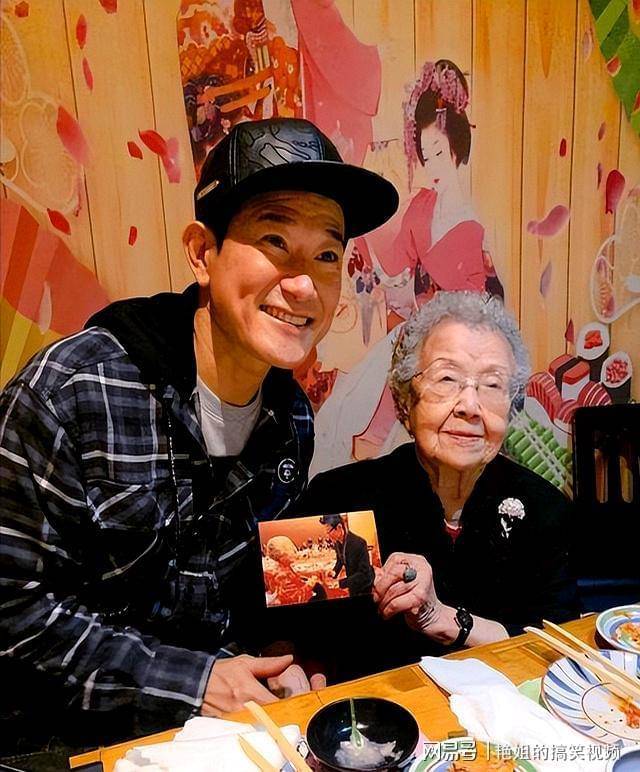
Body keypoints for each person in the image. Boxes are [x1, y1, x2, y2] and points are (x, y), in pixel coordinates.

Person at [0, 117, 398, 760]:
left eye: (327, 255)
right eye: (274, 240)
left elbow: (255, 583)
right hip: (64, 742)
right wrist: (197, 683)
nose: (303, 284)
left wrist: (283, 654)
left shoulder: (291, 420)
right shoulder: (74, 392)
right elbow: (11, 613)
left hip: (212, 739)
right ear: (201, 252)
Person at [295, 291, 578, 681]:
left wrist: (445, 620)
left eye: (492, 385)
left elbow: (556, 646)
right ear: (406, 399)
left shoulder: (544, 509)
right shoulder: (339, 500)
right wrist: (297, 668)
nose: (470, 406)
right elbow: (292, 635)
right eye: (447, 379)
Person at [319, 514, 374, 596]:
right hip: (352, 582)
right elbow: (340, 560)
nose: (327, 536)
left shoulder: (359, 543)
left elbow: (364, 574)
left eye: (329, 532)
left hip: (363, 585)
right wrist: (334, 571)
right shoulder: (337, 542)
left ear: (339, 527)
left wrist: (341, 583)